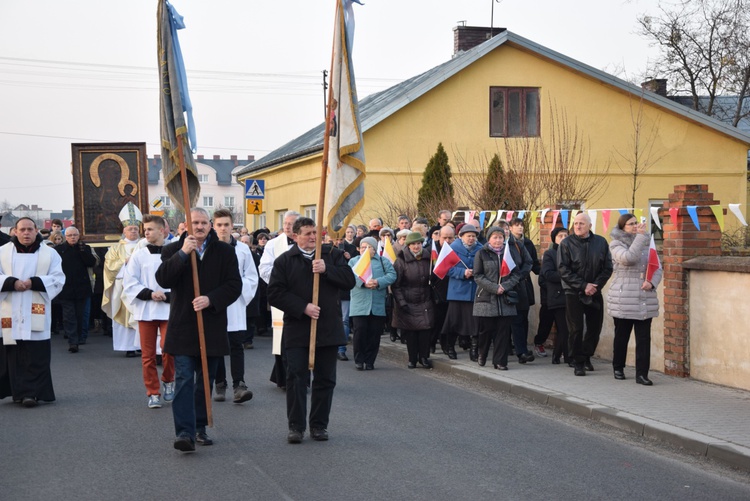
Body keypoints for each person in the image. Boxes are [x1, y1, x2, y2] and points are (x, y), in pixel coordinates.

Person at [155, 208, 242, 452]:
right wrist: (183, 253)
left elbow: (234, 285)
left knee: (205, 380)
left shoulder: (225, 251)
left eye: (204, 222)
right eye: (195, 222)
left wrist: (211, 299)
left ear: (211, 225)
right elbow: (163, 278)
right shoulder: (172, 249)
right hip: (183, 325)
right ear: (186, 225)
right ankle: (184, 431)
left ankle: (199, 426)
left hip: (211, 326)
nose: (200, 226)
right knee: (183, 379)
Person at [267, 217, 355, 443]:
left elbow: (349, 280)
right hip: (297, 329)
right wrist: (302, 307)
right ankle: (296, 426)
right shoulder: (285, 261)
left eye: (315, 232)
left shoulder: (331, 255)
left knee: (325, 379)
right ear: (295, 236)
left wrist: (327, 270)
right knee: (296, 377)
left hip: (327, 328)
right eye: (307, 233)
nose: (313, 237)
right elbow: (275, 293)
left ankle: (319, 426)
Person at [0, 217, 65, 407]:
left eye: (30, 229)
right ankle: (17, 392)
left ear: (37, 230)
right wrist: (12, 282)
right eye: (23, 230)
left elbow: (58, 278)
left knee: (35, 353)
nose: (26, 233)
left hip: (36, 308)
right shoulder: (2, 252)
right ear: (15, 231)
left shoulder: (50, 254)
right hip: (10, 307)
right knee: (13, 352)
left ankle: (32, 393)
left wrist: (33, 282)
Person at [123, 215, 175, 409]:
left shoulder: (174, 252)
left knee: (169, 350)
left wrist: (167, 295)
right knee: (148, 355)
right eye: (145, 229)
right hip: (146, 309)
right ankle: (153, 392)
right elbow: (130, 282)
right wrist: (150, 294)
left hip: (169, 309)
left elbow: (182, 278)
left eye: (151, 229)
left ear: (162, 231)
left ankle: (169, 380)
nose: (146, 232)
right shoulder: (139, 255)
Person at [607, 214, 662, 386]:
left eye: (636, 223)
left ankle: (642, 374)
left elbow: (657, 267)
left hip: (644, 297)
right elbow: (628, 259)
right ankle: (618, 367)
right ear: (623, 227)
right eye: (630, 224)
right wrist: (640, 237)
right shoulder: (616, 244)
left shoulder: (647, 243)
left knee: (644, 339)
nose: (635, 226)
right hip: (624, 297)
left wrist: (652, 282)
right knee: (622, 336)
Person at [558, 212, 613, 376]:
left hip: (594, 291)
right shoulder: (566, 244)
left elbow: (607, 268)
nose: (578, 226)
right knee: (576, 328)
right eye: (575, 223)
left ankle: (586, 355)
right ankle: (578, 362)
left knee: (594, 327)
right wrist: (583, 285)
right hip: (573, 291)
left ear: (590, 225)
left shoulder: (600, 242)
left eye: (581, 223)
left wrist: (595, 286)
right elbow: (563, 269)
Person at [211, 209, 258, 404]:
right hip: (214, 303)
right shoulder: (208, 248)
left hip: (235, 302)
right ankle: (220, 383)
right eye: (219, 225)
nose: (223, 228)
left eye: (226, 225)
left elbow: (251, 276)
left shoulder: (242, 249)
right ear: (214, 226)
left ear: (232, 226)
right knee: (218, 346)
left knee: (236, 344)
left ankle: (239, 384)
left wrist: (238, 289)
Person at [473, 226, 527, 370]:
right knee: (486, 331)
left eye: (501, 237)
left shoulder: (509, 254)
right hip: (486, 299)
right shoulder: (481, 253)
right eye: (495, 237)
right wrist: (494, 287)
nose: (498, 240)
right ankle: (482, 353)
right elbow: (478, 276)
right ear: (489, 238)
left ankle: (500, 361)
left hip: (505, 300)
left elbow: (516, 274)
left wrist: (505, 286)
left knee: (503, 332)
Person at [259, 211, 300, 389]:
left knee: (301, 338)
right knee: (281, 339)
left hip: (302, 297)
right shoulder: (274, 244)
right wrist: (280, 282)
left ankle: (301, 377)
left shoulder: (307, 242)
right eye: (286, 223)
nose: (287, 227)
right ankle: (284, 378)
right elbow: (264, 268)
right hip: (282, 297)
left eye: (292, 224)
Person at [349, 237, 396, 370]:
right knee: (360, 332)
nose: (364, 249)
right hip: (359, 304)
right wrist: (363, 283)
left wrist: (378, 282)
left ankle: (370, 361)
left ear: (374, 249)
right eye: (362, 247)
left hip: (377, 304)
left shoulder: (382, 261)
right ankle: (359, 360)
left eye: (368, 247)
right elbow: (350, 276)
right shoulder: (354, 261)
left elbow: (392, 275)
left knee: (374, 334)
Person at [102, 202, 142, 357]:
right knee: (124, 317)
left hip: (140, 287)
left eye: (135, 229)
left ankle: (139, 345)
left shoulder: (144, 245)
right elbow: (109, 267)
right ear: (124, 230)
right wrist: (124, 262)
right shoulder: (116, 248)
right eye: (130, 229)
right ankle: (127, 347)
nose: (133, 231)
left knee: (139, 316)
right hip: (122, 288)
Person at [392, 231, 434, 369]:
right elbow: (396, 285)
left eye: (419, 243)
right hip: (408, 302)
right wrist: (402, 302)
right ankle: (412, 358)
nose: (416, 246)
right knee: (411, 333)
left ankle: (424, 357)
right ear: (408, 245)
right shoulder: (401, 261)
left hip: (425, 301)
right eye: (413, 244)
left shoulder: (429, 259)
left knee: (425, 332)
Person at [441, 224, 481, 360]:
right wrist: (462, 272)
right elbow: (446, 269)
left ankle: (474, 350)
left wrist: (476, 272)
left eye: (473, 236)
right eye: (468, 236)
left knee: (475, 322)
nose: (471, 239)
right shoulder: (452, 249)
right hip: (457, 292)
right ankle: (450, 346)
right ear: (461, 236)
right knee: (454, 321)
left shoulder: (481, 249)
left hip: (474, 292)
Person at [54, 226, 97, 353]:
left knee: (80, 315)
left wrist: (83, 251)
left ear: (79, 236)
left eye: (75, 235)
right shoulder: (59, 250)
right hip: (66, 288)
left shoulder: (85, 248)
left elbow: (91, 262)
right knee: (68, 316)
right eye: (70, 235)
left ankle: (79, 337)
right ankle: (72, 341)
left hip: (82, 288)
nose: (72, 237)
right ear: (65, 237)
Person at [536, 227, 571, 365]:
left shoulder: (572, 251)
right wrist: (568, 278)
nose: (563, 238)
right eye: (560, 236)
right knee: (564, 328)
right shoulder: (550, 253)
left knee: (569, 328)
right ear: (554, 239)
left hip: (572, 294)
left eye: (566, 235)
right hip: (557, 295)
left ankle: (557, 355)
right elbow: (548, 274)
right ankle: (568, 357)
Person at [508, 217, 539, 363]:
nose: (520, 228)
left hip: (525, 284)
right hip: (512, 284)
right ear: (510, 228)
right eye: (516, 225)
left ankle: (523, 348)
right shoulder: (507, 243)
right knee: (516, 319)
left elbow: (533, 263)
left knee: (524, 317)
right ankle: (519, 350)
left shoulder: (527, 243)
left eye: (522, 225)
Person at [430, 225, 454, 354]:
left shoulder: (455, 249)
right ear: (439, 237)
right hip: (436, 290)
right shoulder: (432, 250)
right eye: (445, 237)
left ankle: (447, 346)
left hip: (452, 290)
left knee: (448, 321)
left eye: (450, 238)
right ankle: (432, 342)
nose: (447, 241)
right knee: (436, 320)